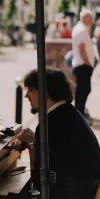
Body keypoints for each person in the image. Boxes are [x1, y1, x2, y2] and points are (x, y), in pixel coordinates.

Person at [17, 68, 100, 199]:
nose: (26, 95)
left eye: (31, 90)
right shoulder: (68, 113)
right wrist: (36, 140)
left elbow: (40, 182)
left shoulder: (49, 124)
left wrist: (32, 144)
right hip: (85, 190)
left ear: (46, 93)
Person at [72, 9, 95, 117]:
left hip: (82, 65)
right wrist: (88, 63)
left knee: (82, 90)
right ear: (85, 18)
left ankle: (79, 112)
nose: (91, 21)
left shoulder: (79, 28)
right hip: (83, 65)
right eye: (90, 18)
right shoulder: (81, 29)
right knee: (83, 90)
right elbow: (81, 48)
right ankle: (79, 113)